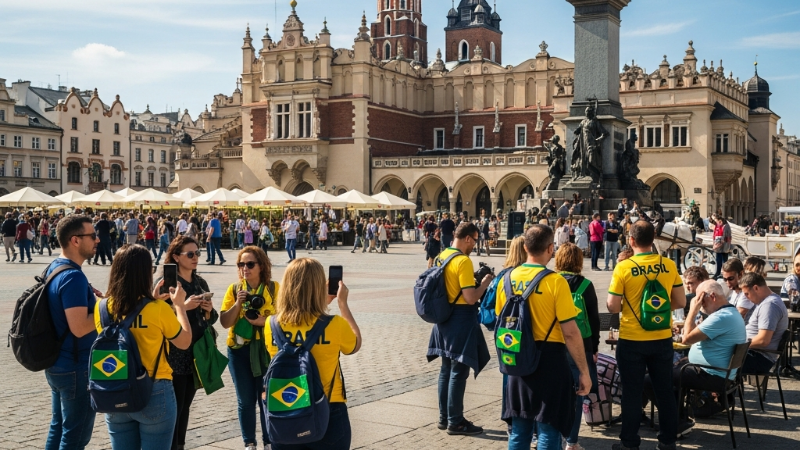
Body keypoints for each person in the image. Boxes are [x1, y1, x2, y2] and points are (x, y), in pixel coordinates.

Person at [496, 225, 591, 450]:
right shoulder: (555, 281)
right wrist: (584, 372)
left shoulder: (507, 279)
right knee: (549, 427)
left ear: (525, 247)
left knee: (519, 429)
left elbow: (502, 322)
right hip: (550, 361)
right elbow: (570, 331)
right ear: (551, 249)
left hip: (518, 361)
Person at [94, 244, 192, 450]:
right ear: (145, 273)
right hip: (154, 390)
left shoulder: (102, 307)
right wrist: (180, 307)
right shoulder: (157, 309)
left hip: (114, 389)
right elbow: (183, 342)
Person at [265, 258, 362, 450]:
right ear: (319, 287)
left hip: (285, 409)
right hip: (328, 408)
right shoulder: (335, 324)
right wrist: (342, 304)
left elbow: (302, 326)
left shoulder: (271, 324)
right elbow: (355, 344)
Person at [607, 220, 686, 450]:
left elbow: (613, 306)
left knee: (631, 393)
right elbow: (680, 301)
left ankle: (630, 443)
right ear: (654, 239)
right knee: (664, 391)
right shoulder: (669, 265)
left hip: (631, 338)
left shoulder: (623, 267)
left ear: (631, 241)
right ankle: (667, 441)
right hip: (661, 338)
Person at [643, 280, 746, 436]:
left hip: (712, 374)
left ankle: (676, 423)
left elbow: (686, 339)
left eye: (700, 300)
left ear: (712, 296)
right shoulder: (730, 313)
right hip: (719, 372)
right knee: (668, 373)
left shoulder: (721, 317)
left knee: (650, 379)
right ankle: (680, 419)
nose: (700, 304)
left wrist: (692, 310)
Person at [428, 222, 494, 436]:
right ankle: (455, 421)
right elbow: (470, 297)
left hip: (443, 318)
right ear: (467, 238)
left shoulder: (442, 255)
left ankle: (444, 417)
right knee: (459, 370)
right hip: (460, 318)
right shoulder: (463, 261)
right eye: (475, 240)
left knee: (446, 369)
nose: (475, 244)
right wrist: (484, 283)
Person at [44, 215, 101, 450]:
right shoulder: (73, 276)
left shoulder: (55, 267)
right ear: (75, 240)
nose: (97, 240)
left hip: (57, 363)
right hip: (76, 367)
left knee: (58, 428)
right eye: (93, 235)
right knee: (75, 437)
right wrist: (107, 309)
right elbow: (79, 327)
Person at [158, 236, 217, 450]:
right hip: (173, 353)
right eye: (190, 254)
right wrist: (182, 307)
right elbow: (158, 317)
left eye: (197, 253)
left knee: (186, 406)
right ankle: (170, 445)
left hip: (196, 352)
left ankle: (179, 445)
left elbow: (213, 318)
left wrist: (209, 312)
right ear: (175, 257)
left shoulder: (200, 282)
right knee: (175, 406)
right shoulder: (167, 284)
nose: (195, 258)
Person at [220, 246, 277, 450]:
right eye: (241, 264)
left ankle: (269, 442)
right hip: (239, 351)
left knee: (265, 399)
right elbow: (225, 322)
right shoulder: (235, 289)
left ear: (261, 266)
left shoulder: (274, 289)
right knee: (245, 400)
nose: (245, 268)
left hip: (266, 351)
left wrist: (265, 321)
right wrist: (238, 304)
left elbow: (286, 319)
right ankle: (249, 443)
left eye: (250, 264)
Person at [555, 243, 600, 450]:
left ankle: (549, 437)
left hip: (555, 344)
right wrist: (595, 348)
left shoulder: (551, 281)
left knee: (554, 395)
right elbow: (593, 320)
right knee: (577, 396)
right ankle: (571, 442)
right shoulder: (586, 285)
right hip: (582, 345)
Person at [739, 273, 789, 374]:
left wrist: (736, 345)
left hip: (759, 357)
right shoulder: (767, 302)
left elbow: (763, 340)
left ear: (756, 288)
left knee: (715, 360)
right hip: (755, 353)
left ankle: (716, 388)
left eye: (746, 293)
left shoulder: (769, 305)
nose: (746, 297)